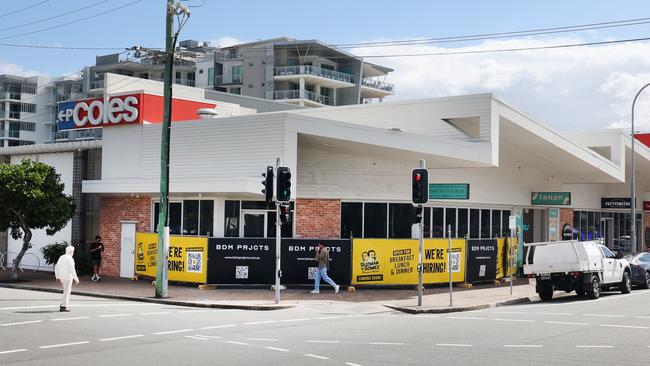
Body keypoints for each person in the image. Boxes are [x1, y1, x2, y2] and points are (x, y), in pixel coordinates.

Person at [54, 246, 79, 312]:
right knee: (67, 292)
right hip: (68, 277)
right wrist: (76, 279)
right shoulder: (70, 259)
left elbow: (57, 267)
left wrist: (57, 277)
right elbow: (72, 270)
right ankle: (63, 306)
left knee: (66, 291)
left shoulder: (61, 257)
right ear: (70, 252)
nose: (73, 253)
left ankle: (63, 304)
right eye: (73, 251)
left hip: (61, 277)